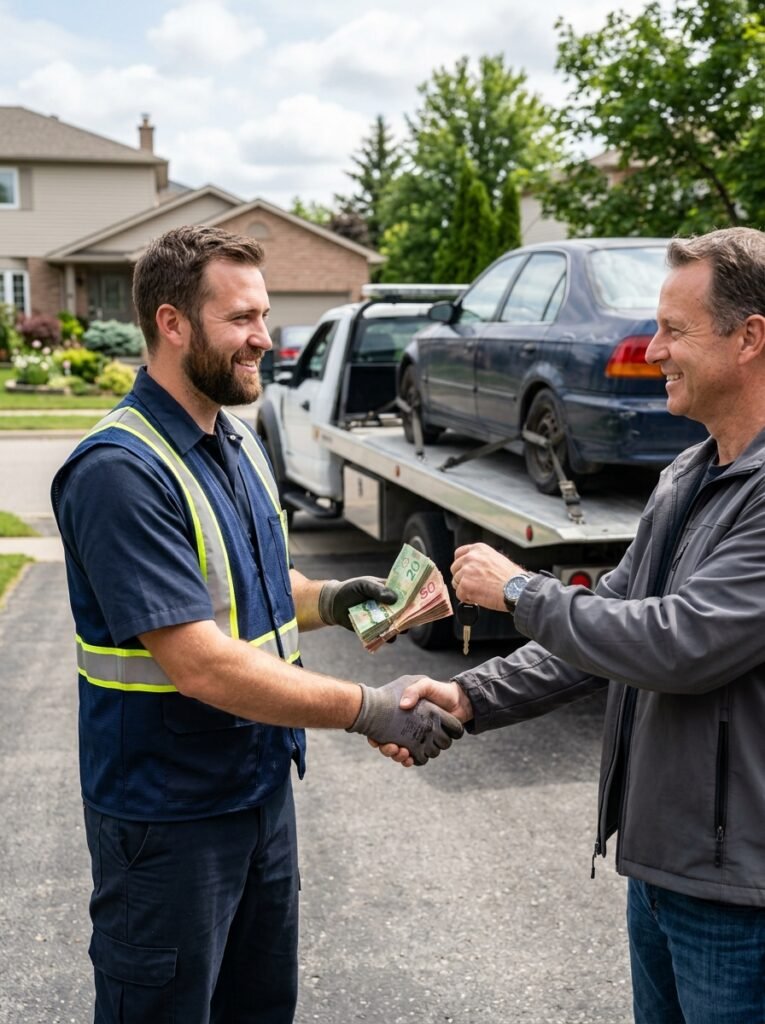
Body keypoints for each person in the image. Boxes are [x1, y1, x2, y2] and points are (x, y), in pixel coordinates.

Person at [51, 224, 462, 1024]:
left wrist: (340, 597)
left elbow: (264, 594)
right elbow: (201, 662)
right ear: (172, 324)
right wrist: (368, 709)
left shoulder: (233, 442)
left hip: (257, 795)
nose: (264, 340)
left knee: (260, 1008)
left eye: (263, 317)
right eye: (242, 319)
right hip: (167, 821)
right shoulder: (120, 472)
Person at [378, 227, 765, 1024]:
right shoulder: (687, 474)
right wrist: (468, 698)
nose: (652, 348)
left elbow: (677, 644)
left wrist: (519, 591)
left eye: (672, 330)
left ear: (750, 338)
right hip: (664, 872)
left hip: (741, 896)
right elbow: (604, 627)